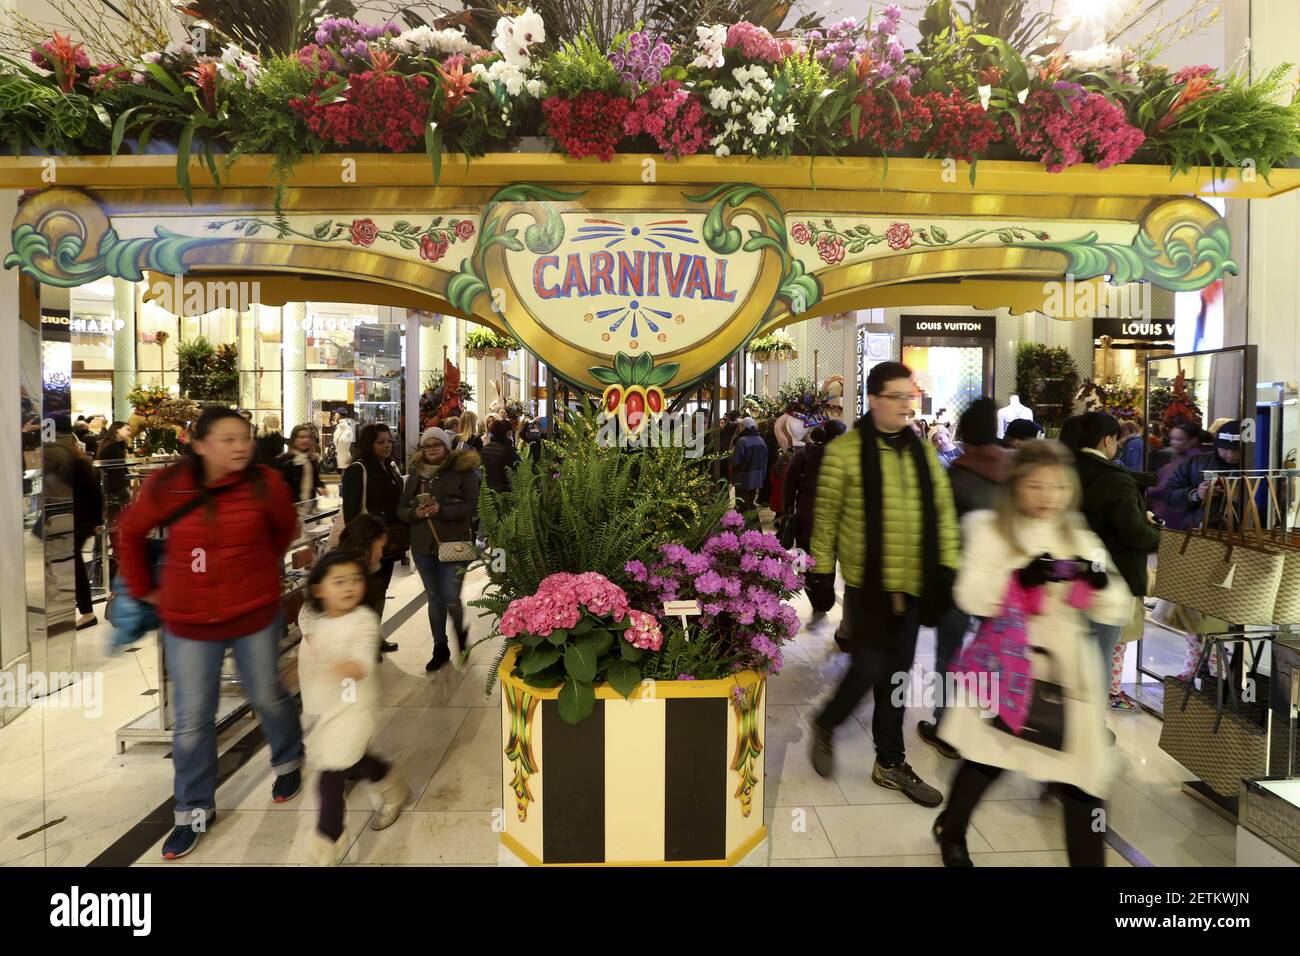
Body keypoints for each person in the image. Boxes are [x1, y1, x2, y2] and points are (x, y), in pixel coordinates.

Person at [933, 440, 1133, 867]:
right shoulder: (989, 527)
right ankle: (951, 829)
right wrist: (1018, 580)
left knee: (1084, 783)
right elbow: (970, 597)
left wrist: (1098, 584)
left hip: (1067, 674)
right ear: (1016, 485)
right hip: (1007, 666)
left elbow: (1116, 603)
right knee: (988, 760)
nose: (1047, 497)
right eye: (1036, 485)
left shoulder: (1078, 532)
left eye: (1057, 486)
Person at [117, 406, 304, 860]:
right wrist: (146, 591)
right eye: (227, 438)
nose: (240, 446)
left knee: (267, 694)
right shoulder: (168, 485)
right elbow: (129, 532)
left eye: (245, 437)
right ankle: (193, 810)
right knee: (191, 721)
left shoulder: (265, 483)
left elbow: (286, 531)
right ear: (198, 444)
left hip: (252, 614)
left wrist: (256, 572)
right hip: (188, 621)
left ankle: (289, 758)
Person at [809, 361, 960, 807]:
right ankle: (828, 721)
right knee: (870, 667)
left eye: (909, 397)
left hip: (913, 584)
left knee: (896, 676)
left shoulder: (922, 452)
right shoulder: (844, 453)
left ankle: (889, 763)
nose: (905, 406)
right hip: (867, 585)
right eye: (896, 397)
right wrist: (820, 573)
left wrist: (947, 565)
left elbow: (944, 513)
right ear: (873, 400)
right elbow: (827, 518)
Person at [297, 551, 410, 865]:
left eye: (356, 580)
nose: (349, 587)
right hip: (330, 709)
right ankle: (390, 782)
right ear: (319, 589)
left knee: (331, 777)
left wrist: (335, 666)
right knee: (353, 762)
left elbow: (361, 664)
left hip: (357, 708)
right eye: (339, 581)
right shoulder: (318, 621)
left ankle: (327, 844)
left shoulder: (364, 619)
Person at [917, 398, 1011, 759]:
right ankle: (992, 720)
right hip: (1002, 583)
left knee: (950, 654)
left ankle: (946, 727)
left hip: (959, 579)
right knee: (996, 652)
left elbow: (940, 532)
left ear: (965, 435)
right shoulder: (1014, 472)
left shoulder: (958, 475)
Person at [1071, 412, 1161, 712]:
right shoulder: (1115, 479)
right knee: (1102, 652)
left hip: (1072, 577)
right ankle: (1093, 723)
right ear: (1108, 440)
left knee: (1077, 652)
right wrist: (1159, 535)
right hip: (1111, 577)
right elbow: (1133, 532)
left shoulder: (1065, 470)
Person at [397, 427, 481, 672]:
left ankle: (460, 633)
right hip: (424, 545)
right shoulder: (416, 474)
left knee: (451, 598)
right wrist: (415, 513)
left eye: (437, 444)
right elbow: (401, 509)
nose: (432, 449)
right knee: (434, 598)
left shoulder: (462, 471)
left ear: (446, 446)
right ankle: (440, 647)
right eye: (427, 445)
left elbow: (474, 506)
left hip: (454, 544)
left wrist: (442, 510)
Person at [340, 423, 406, 650]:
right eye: (381, 442)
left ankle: (373, 638)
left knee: (379, 591)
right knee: (366, 593)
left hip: (388, 543)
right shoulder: (358, 470)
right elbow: (351, 515)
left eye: (389, 441)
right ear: (370, 444)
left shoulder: (390, 468)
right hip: (368, 545)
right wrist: (363, 544)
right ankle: (363, 642)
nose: (387, 445)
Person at [1166, 419, 1244, 529]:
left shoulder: (1256, 464)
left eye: (1237, 450)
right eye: (1225, 449)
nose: (1230, 455)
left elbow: (1270, 505)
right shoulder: (1194, 463)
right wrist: (1195, 494)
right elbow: (1170, 496)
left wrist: (1241, 497)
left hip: (1243, 532)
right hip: (1198, 531)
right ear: (1216, 445)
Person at [781, 421, 846, 553]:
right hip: (831, 515)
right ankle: (823, 574)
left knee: (802, 552)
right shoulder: (842, 458)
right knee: (827, 557)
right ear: (837, 437)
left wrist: (787, 507)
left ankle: (801, 573)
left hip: (805, 511)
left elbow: (789, 484)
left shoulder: (803, 455)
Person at [1147, 419, 1204, 530]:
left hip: (1174, 515)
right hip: (1176, 513)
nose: (1172, 443)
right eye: (1172, 438)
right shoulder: (1183, 458)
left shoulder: (1186, 461)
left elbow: (1164, 488)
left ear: (1192, 440)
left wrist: (1143, 490)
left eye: (1178, 439)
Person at [276, 424, 326, 503]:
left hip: (310, 505)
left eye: (308, 437)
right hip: (291, 505)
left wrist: (322, 487)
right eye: (301, 437)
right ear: (294, 439)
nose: (305, 440)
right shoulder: (284, 460)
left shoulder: (312, 459)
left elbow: (316, 480)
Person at [729, 417, 768, 512]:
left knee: (741, 503)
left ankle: (741, 524)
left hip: (743, 476)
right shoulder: (761, 440)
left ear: (744, 426)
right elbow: (765, 460)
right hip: (757, 476)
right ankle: (753, 523)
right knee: (751, 501)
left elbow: (735, 461)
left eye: (741, 425)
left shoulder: (742, 441)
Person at [96, 421, 134, 513]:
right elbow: (114, 471)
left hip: (114, 486)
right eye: (127, 429)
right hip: (114, 487)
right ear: (117, 430)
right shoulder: (112, 447)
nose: (129, 432)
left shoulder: (115, 445)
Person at [481, 417, 521, 493]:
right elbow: (518, 470)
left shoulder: (485, 449)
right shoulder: (509, 450)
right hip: (505, 490)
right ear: (506, 432)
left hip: (488, 490)